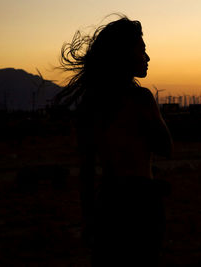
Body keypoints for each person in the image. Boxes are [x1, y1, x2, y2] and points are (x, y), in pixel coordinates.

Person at [54, 15, 173, 266]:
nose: (147, 57)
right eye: (142, 50)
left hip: (107, 204)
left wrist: (88, 218)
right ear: (124, 55)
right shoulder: (141, 98)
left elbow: (86, 171)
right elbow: (166, 147)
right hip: (141, 205)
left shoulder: (90, 105)